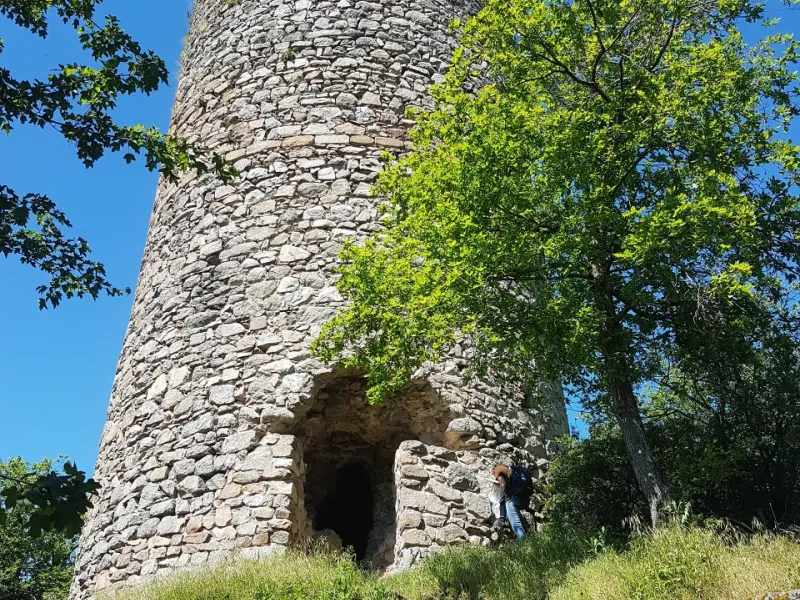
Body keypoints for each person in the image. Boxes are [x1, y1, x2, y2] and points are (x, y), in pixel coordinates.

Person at [491, 464, 533, 540]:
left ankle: (524, 543)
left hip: (513, 500)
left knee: (516, 525)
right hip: (524, 499)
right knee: (505, 500)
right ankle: (525, 540)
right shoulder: (511, 471)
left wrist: (498, 484)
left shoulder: (497, 469)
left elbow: (502, 484)